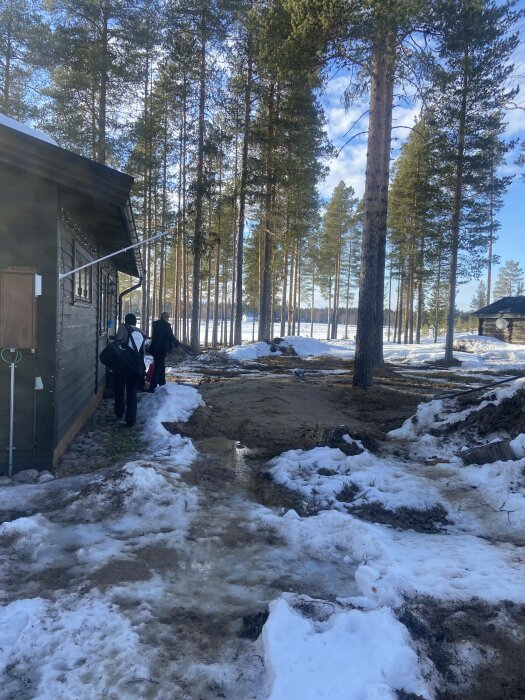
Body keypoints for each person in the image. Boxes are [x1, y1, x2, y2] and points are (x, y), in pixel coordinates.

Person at [114, 313, 145, 426]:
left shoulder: (123, 327)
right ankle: (131, 419)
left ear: (126, 321)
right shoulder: (141, 332)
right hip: (134, 365)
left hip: (122, 364)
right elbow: (142, 351)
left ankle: (119, 411)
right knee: (132, 392)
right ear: (135, 322)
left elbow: (118, 341)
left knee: (119, 388)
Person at [148, 311, 179, 393]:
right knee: (158, 367)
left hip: (155, 348)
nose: (168, 319)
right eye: (167, 317)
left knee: (161, 365)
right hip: (162, 349)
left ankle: (162, 381)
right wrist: (176, 343)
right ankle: (152, 386)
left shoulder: (156, 324)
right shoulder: (166, 326)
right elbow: (170, 336)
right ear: (166, 317)